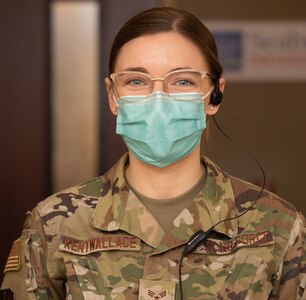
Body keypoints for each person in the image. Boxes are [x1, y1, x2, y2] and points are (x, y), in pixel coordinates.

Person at [1, 6, 305, 300]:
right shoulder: (55, 225)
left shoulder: (276, 225)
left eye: (182, 81)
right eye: (136, 81)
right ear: (113, 96)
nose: (158, 99)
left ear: (214, 95)